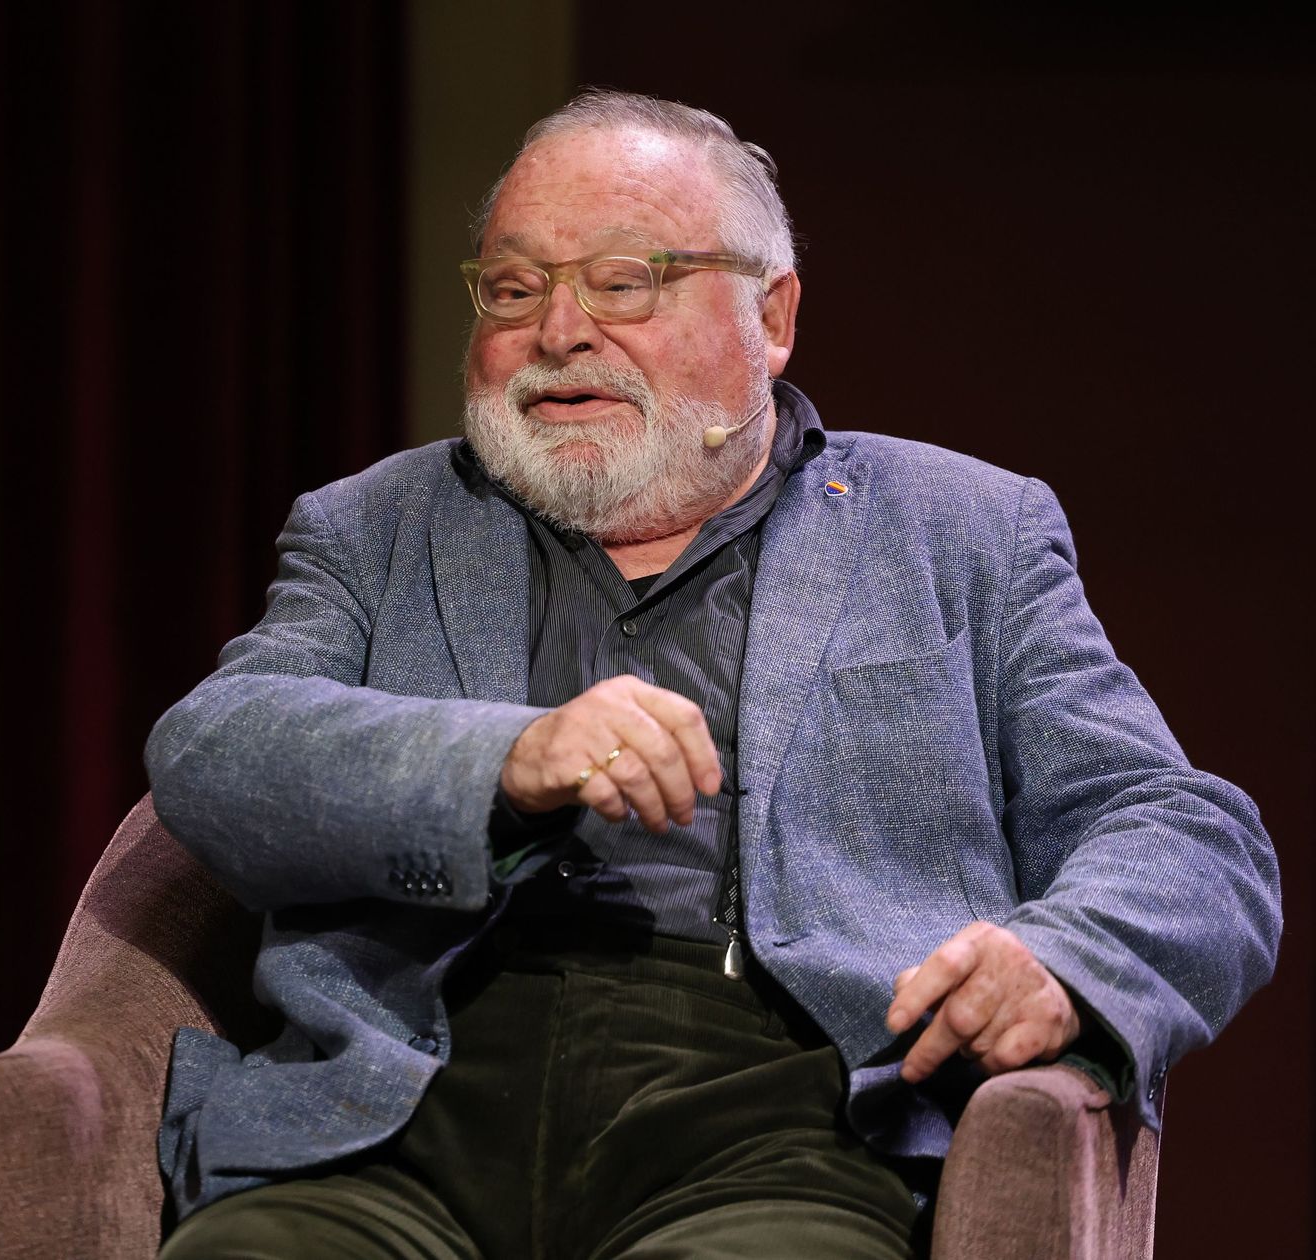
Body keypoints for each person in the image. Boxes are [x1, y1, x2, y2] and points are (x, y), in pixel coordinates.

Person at [144, 91, 1280, 1259]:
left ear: (770, 316)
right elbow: (214, 755)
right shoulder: (376, 527)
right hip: (399, 1108)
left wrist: (1068, 962)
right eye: (514, 289)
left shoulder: (961, 534)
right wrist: (505, 759)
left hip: (784, 1119)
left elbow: (1186, 831)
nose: (559, 331)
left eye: (623, 281)